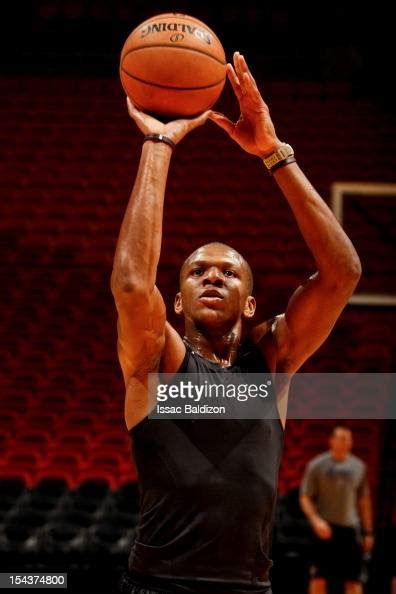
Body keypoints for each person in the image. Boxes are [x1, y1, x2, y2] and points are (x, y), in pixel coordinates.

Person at [111, 52, 362, 594]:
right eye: (197, 271)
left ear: (251, 304)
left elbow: (343, 273)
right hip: (158, 585)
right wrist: (159, 145)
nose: (212, 277)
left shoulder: (273, 362)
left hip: (251, 587)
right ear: (177, 302)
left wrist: (275, 154)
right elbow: (133, 285)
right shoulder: (160, 363)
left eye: (229, 272)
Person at [299, 425, 374, 594]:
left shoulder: (359, 467)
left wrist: (368, 532)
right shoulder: (317, 465)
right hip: (325, 529)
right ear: (331, 440)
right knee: (319, 578)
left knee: (353, 580)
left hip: (350, 529)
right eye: (341, 438)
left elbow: (364, 501)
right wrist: (315, 520)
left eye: (348, 439)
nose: (345, 442)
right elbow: (305, 497)